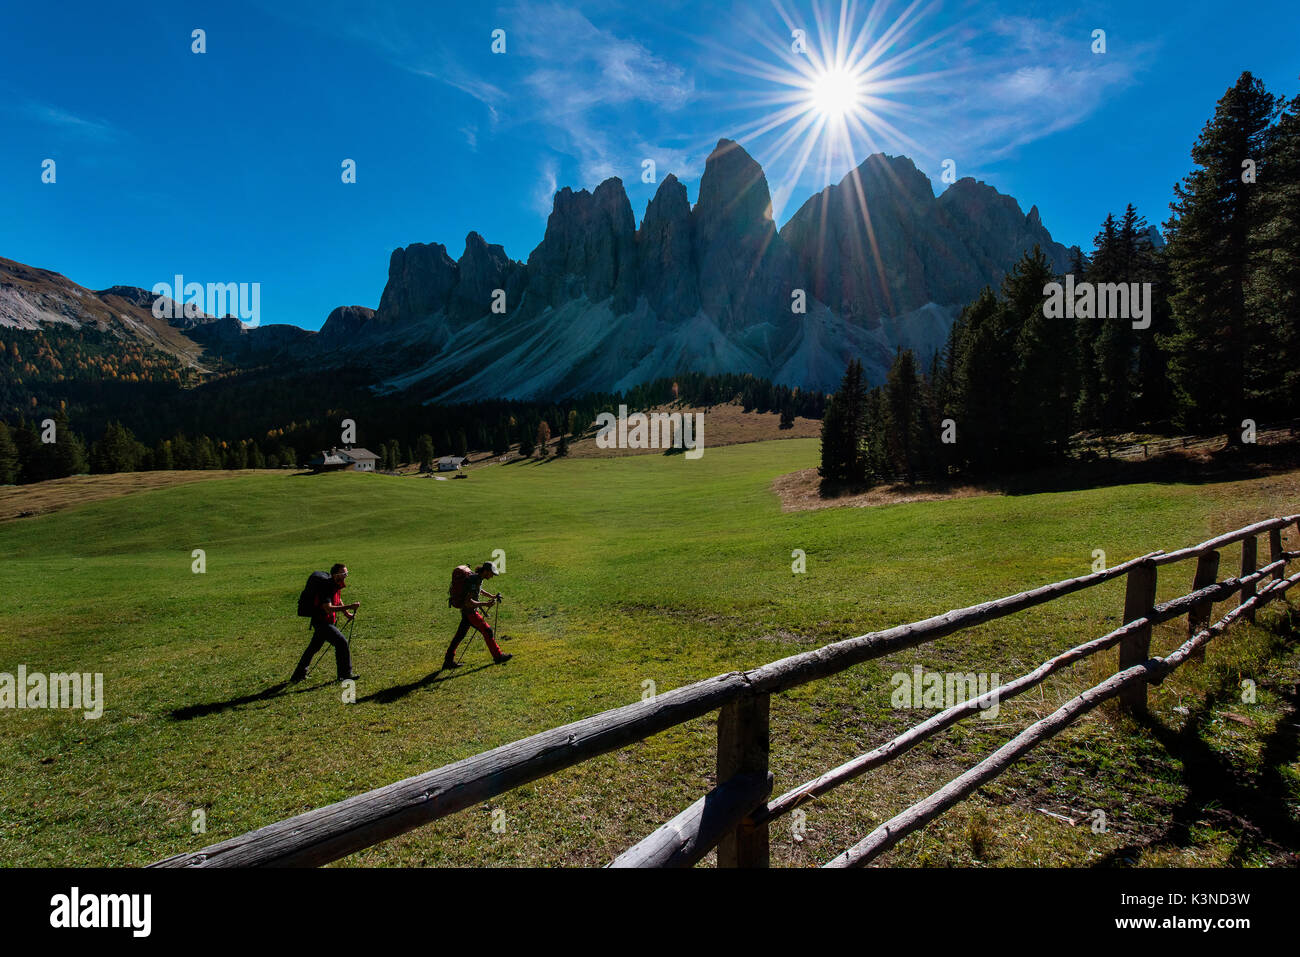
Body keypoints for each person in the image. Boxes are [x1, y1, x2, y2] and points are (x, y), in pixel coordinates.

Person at [290, 563, 360, 682]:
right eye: (344, 574)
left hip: (325, 621)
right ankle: (345, 674)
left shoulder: (334, 584)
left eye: (346, 573)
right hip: (322, 622)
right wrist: (350, 606)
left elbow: (337, 599)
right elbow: (327, 608)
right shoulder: (326, 587)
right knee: (341, 643)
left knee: (313, 648)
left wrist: (346, 613)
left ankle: (298, 675)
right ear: (335, 575)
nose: (346, 576)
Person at [443, 561, 512, 668]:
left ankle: (448, 660)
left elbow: (479, 590)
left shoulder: (476, 578)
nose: (492, 576)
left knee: (459, 636)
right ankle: (498, 656)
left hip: (466, 612)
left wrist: (492, 596)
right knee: (487, 630)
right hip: (470, 612)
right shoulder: (474, 580)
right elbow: (468, 601)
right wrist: (485, 604)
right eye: (491, 573)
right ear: (486, 571)